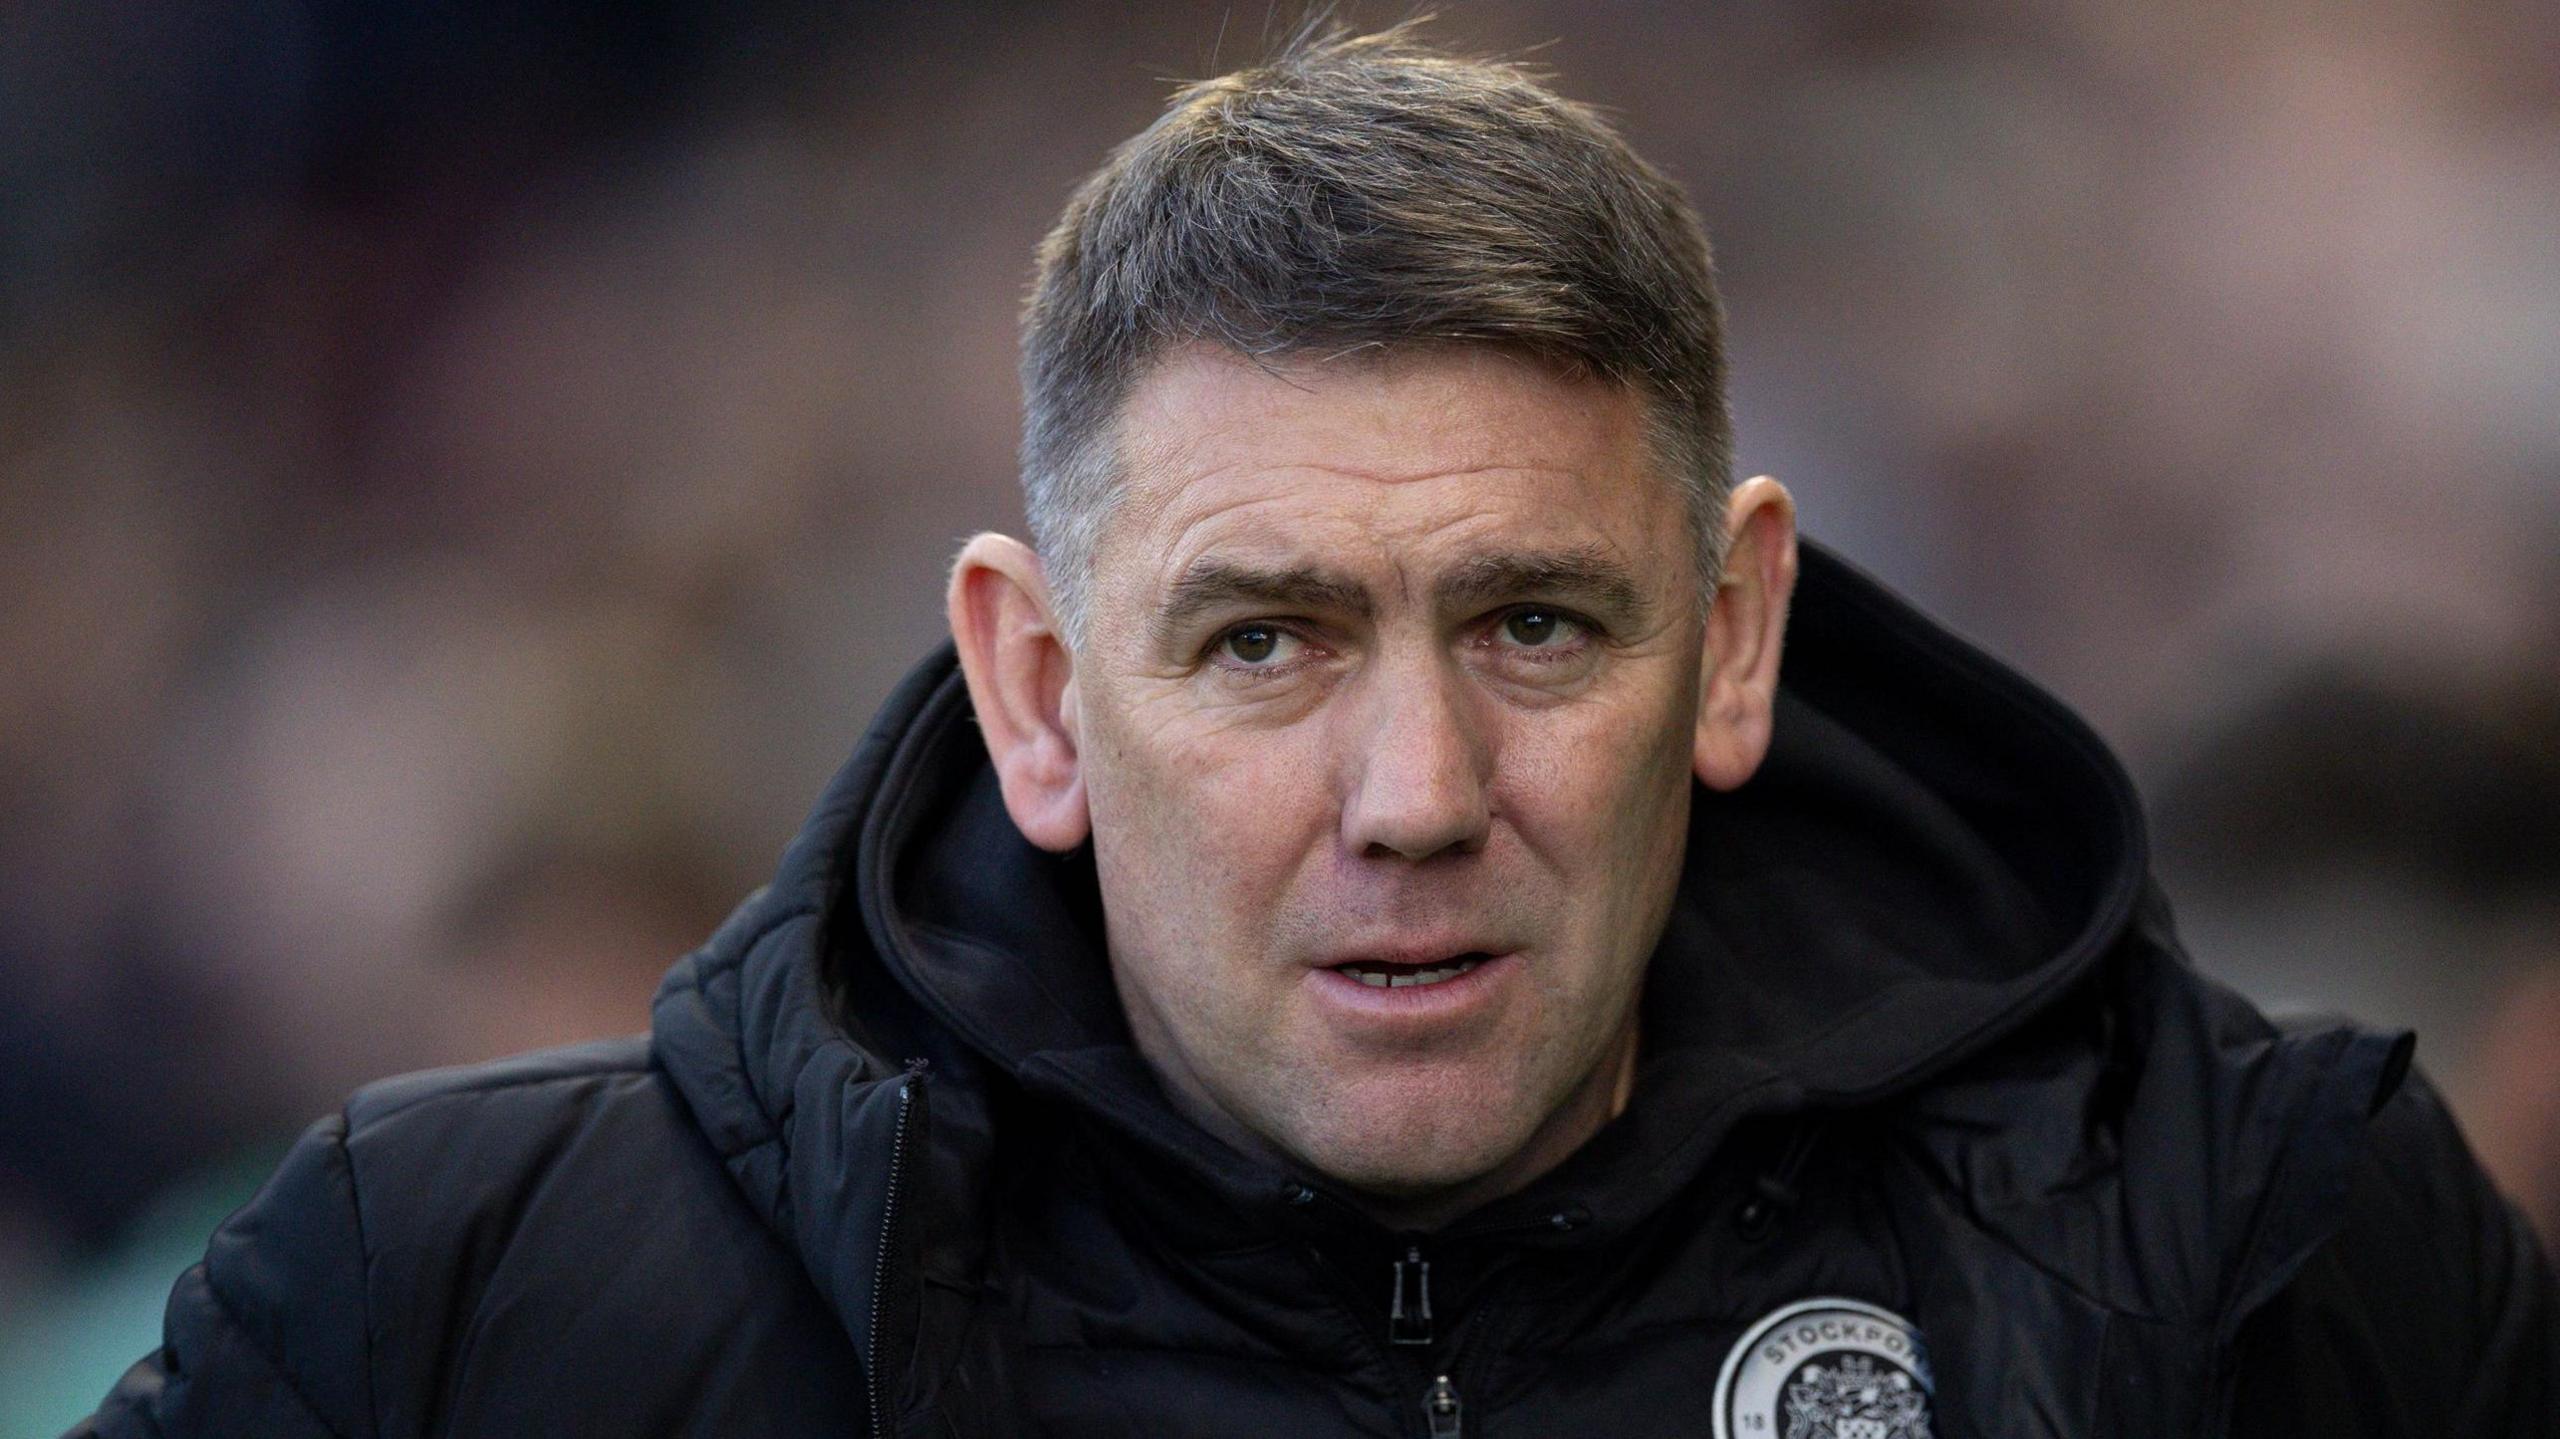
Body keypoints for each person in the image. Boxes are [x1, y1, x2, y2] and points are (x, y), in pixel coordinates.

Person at [73, 25, 2556, 1438]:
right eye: (1261, 642)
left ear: (1736, 635)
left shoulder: (2248, 1250)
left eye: (1536, 630)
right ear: (1036, 691)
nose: (1413, 798)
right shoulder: (466, 1315)